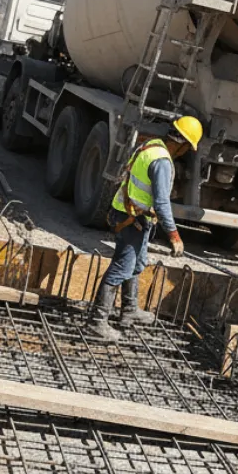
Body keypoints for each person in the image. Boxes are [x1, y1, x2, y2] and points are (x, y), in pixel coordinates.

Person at [87, 116, 202, 341]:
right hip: (130, 218)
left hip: (133, 215)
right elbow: (161, 202)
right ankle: (97, 321)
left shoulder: (152, 145)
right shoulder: (162, 162)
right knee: (122, 267)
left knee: (137, 264)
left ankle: (129, 310)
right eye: (188, 147)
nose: (185, 152)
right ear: (182, 143)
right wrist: (174, 236)